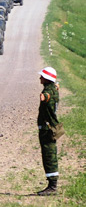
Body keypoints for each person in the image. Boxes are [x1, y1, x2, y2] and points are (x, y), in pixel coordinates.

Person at [37, 66, 60, 196]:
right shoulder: (53, 89)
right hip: (51, 127)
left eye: (42, 76)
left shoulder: (47, 92)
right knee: (50, 154)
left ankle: (52, 186)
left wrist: (44, 96)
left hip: (47, 129)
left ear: (46, 79)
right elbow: (54, 89)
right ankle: (52, 184)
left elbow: (45, 96)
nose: (40, 78)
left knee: (49, 156)